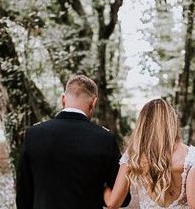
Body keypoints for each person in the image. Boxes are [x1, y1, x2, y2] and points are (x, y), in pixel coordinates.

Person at [16, 75, 131, 209]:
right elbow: (122, 198)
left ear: (63, 99)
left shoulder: (34, 134)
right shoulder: (105, 138)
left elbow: (23, 194)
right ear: (93, 103)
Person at [103, 98, 195, 209]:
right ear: (172, 122)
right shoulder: (190, 155)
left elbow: (112, 204)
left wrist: (99, 183)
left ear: (143, 125)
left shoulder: (132, 156)